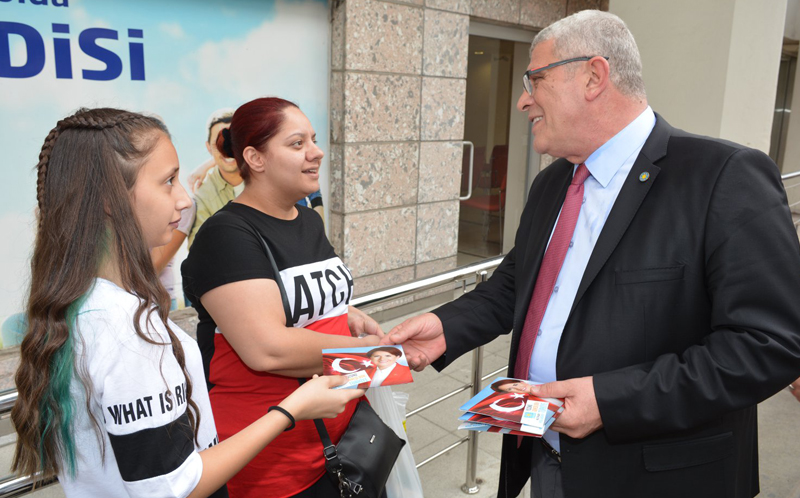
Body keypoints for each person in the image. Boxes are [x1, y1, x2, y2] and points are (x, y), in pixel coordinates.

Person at [382, 10, 800, 498]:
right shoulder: (552, 182)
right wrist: (446, 327)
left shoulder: (724, 177)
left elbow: (769, 343)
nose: (523, 100)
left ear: (593, 76)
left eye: (535, 80)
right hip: (546, 458)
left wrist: (611, 401)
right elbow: (516, 284)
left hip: (660, 479)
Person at [11, 107, 364, 498]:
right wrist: (292, 409)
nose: (184, 200)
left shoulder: (96, 304)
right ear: (110, 198)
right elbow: (176, 487)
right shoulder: (124, 330)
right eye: (168, 181)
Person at [181, 97, 384, 498]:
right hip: (272, 456)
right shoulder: (227, 235)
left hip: (339, 434)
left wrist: (346, 312)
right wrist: (372, 350)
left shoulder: (307, 218)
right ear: (255, 158)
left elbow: (301, 296)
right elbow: (267, 349)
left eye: (314, 138)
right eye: (297, 143)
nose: (316, 151)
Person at [187, 109, 243, 248]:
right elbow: (199, 249)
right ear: (208, 148)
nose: (226, 149)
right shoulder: (203, 196)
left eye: (232, 142)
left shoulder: (265, 176)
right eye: (218, 143)